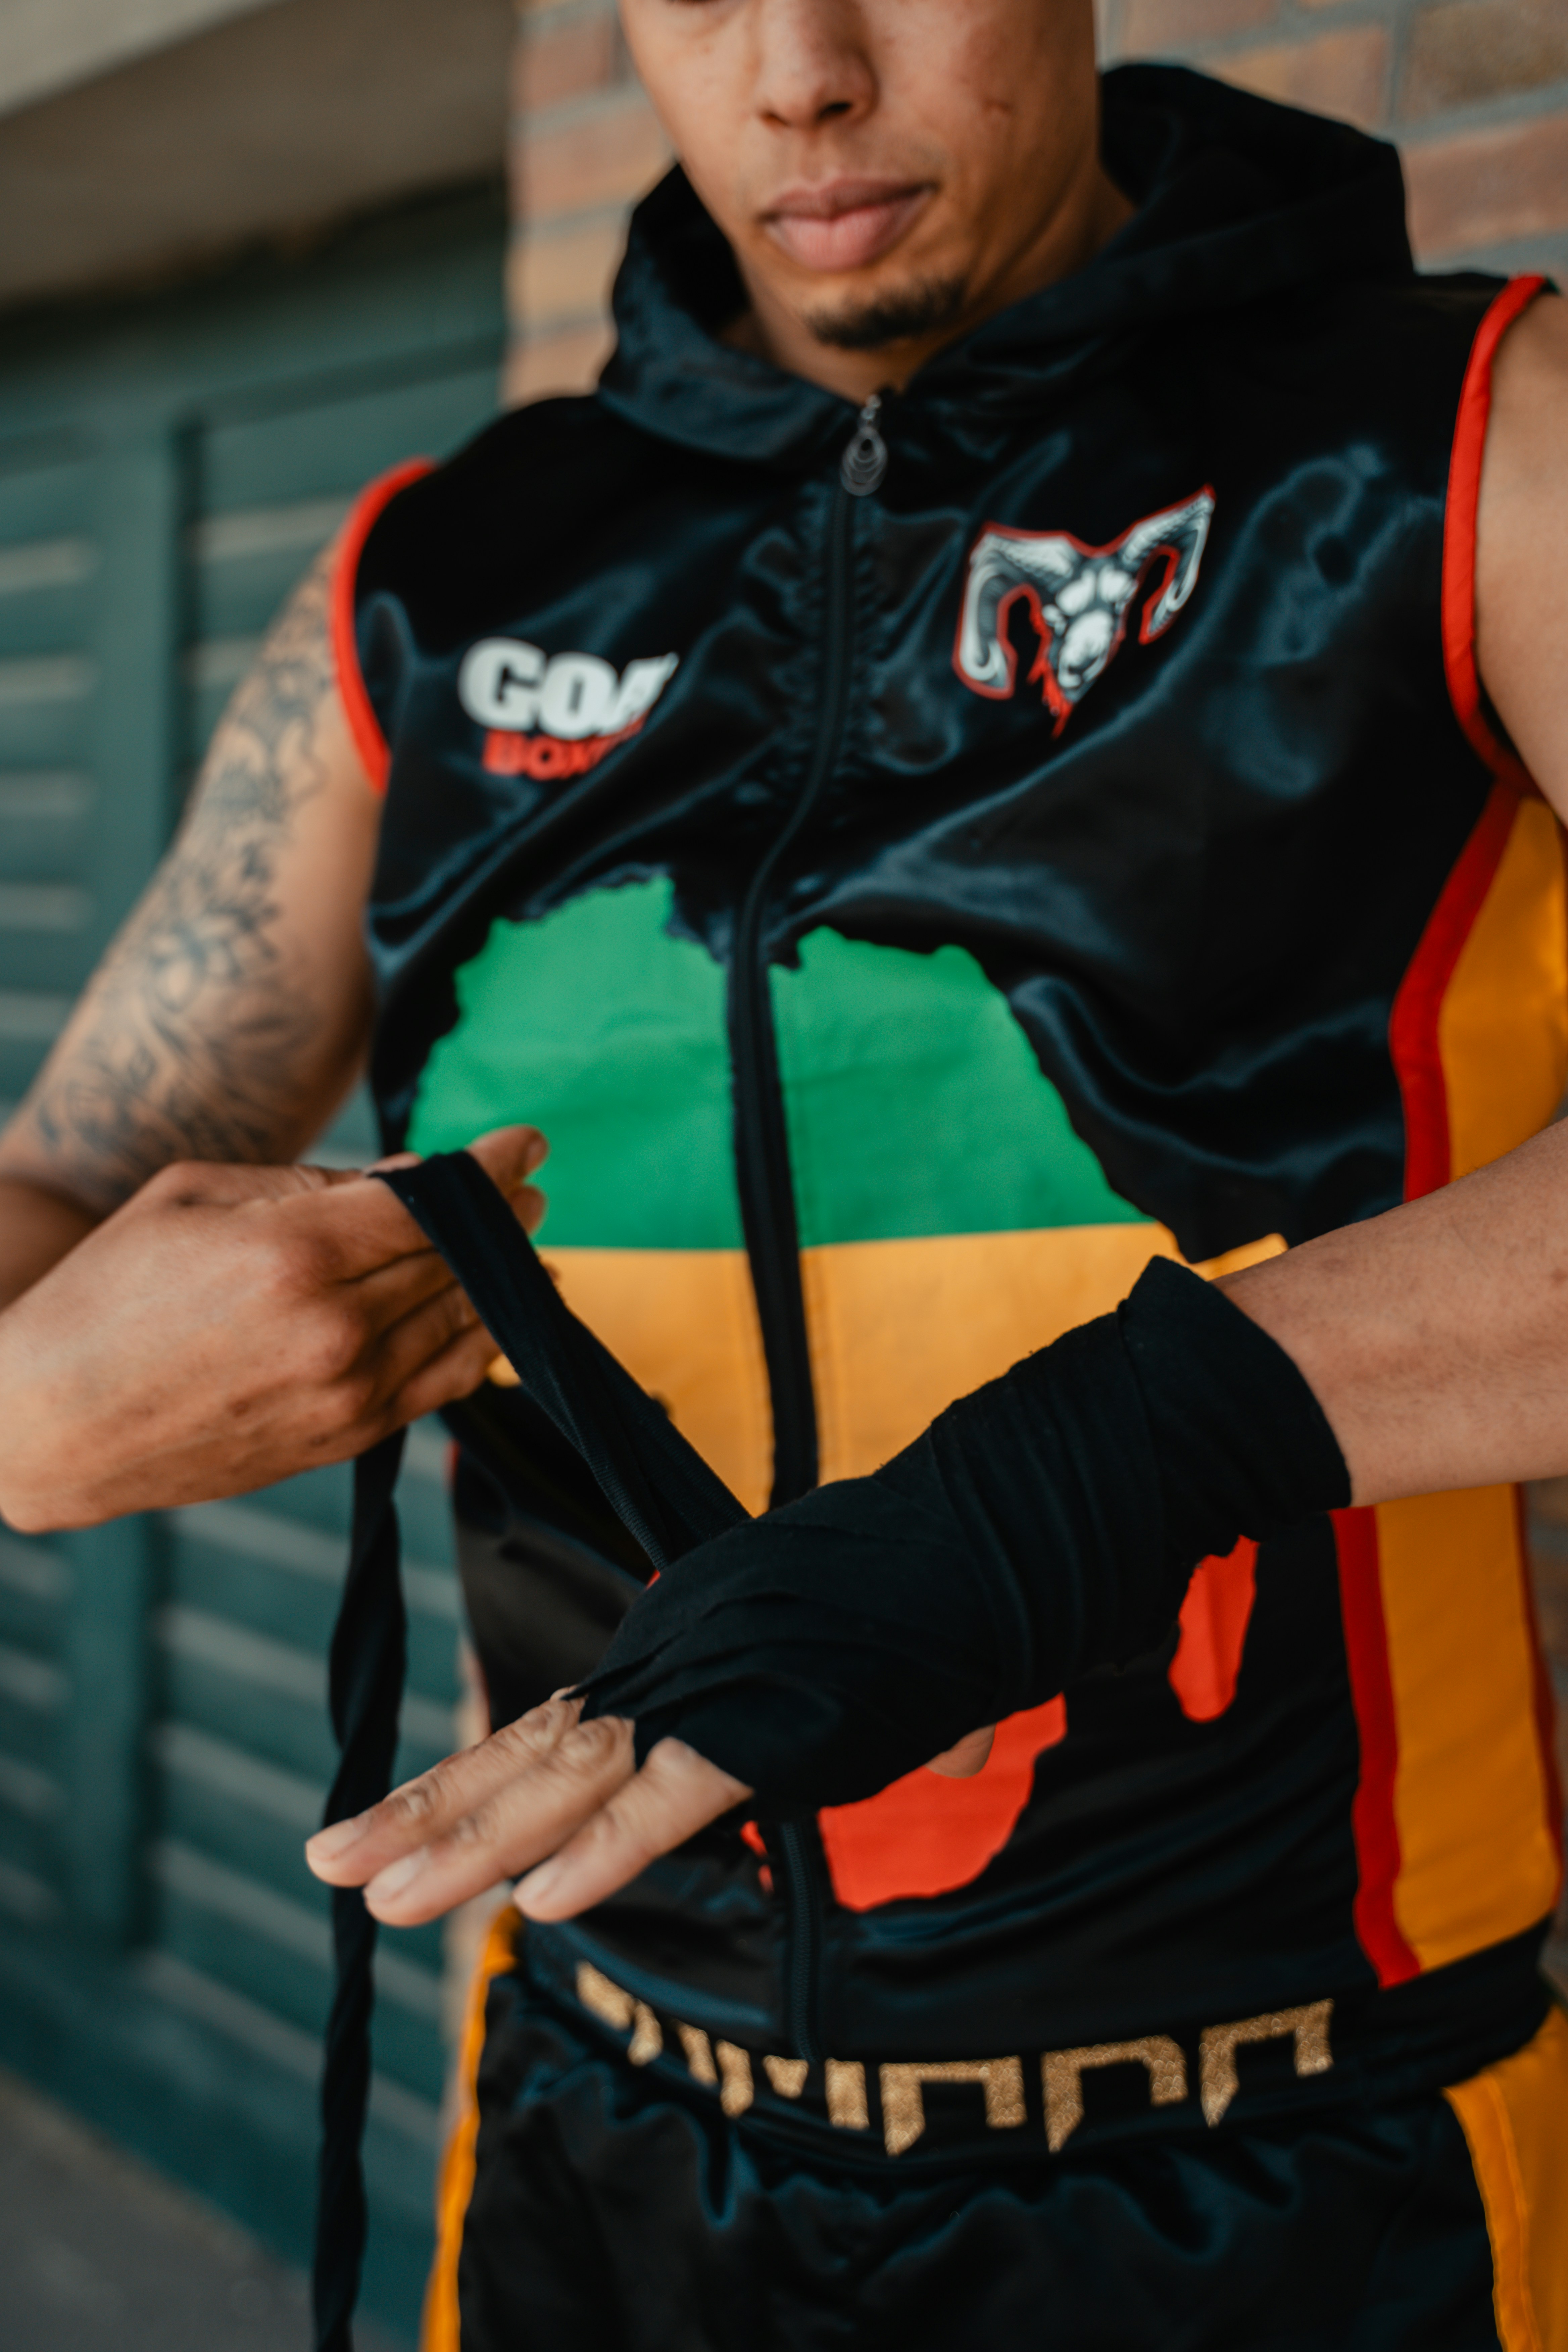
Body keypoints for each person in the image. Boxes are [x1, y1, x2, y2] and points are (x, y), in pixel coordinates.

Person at [0, 0, 1566, 2341]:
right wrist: (19, 1410)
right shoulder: (436, 577)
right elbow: (61, 1179)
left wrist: (1076, 1483)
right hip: (600, 2126)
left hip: (1294, 2158)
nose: (801, 70)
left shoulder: (1462, 436)